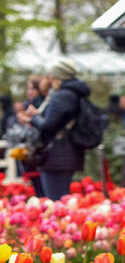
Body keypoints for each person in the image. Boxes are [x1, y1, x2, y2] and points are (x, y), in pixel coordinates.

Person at [22, 60, 90, 200]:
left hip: (57, 154)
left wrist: (34, 118)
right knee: (60, 198)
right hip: (63, 152)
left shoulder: (63, 95)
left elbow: (49, 125)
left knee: (55, 200)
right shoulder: (71, 94)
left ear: (56, 76)